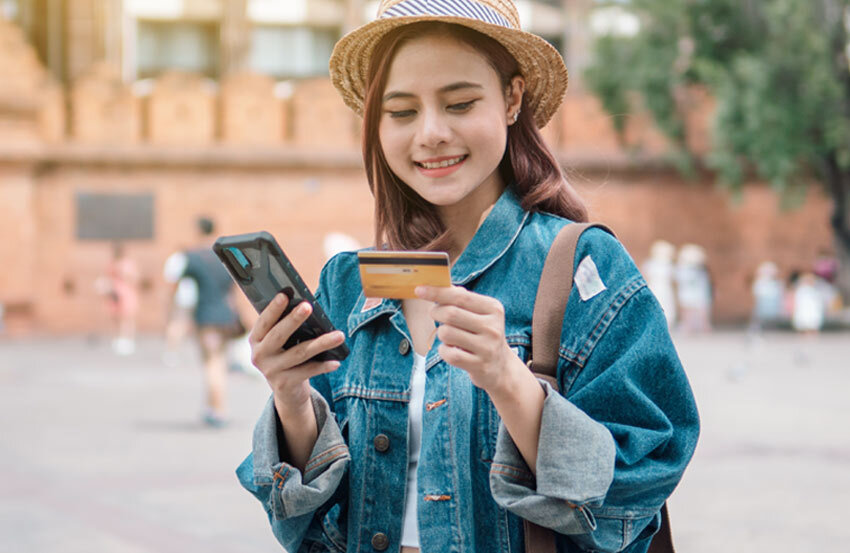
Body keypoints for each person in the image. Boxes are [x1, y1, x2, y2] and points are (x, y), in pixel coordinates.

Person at [237, 2, 699, 552]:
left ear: (512, 99)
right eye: (402, 112)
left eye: (459, 103)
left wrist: (508, 378)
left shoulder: (579, 266)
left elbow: (639, 482)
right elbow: (311, 523)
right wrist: (291, 398)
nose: (431, 134)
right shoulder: (348, 283)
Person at [163, 217, 244, 427]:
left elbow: (175, 284)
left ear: (198, 230)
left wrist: (172, 311)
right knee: (220, 363)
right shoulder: (224, 256)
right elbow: (233, 289)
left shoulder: (193, 257)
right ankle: (214, 407)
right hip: (226, 316)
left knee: (211, 363)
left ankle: (217, 411)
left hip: (206, 316)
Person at [98, 241, 140, 355]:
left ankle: (127, 339)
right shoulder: (112, 263)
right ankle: (118, 338)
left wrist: (122, 273)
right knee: (115, 316)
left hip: (126, 293)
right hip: (114, 293)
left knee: (127, 317)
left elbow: (133, 278)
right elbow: (107, 276)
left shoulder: (128, 264)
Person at [675, 243, 712, 334]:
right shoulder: (686, 269)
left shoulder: (699, 270)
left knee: (695, 310)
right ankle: (691, 327)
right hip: (691, 292)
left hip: (695, 292)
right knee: (690, 310)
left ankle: (702, 327)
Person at [642, 240, 677, 328]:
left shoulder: (667, 264)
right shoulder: (652, 263)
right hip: (656, 287)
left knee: (666, 305)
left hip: (663, 288)